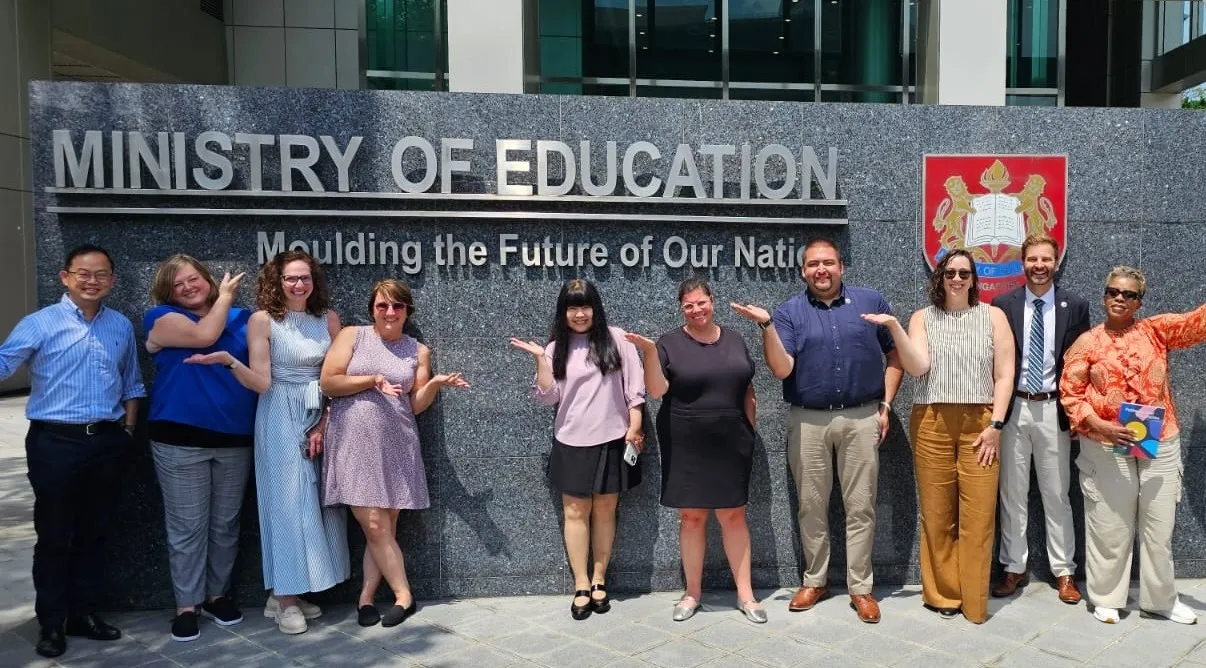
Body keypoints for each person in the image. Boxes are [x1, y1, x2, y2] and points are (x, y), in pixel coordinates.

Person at [730, 237, 902, 624]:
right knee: (811, 505)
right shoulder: (789, 312)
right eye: (812, 265)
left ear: (841, 265)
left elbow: (896, 354)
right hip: (807, 420)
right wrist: (767, 326)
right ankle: (816, 579)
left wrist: (886, 404)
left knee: (861, 506)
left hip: (862, 417)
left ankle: (861, 587)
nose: (820, 270)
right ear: (803, 271)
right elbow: (781, 369)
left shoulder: (870, 303)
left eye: (827, 262)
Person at [186, 250, 348, 635]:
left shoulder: (328, 320)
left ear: (314, 281)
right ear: (276, 282)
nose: (298, 285)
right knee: (287, 504)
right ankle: (286, 598)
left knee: (320, 504)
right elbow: (261, 382)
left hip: (319, 411)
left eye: (305, 277)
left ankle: (286, 593)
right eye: (290, 278)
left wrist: (324, 421)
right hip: (278, 414)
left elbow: (338, 375)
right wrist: (229, 360)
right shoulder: (263, 320)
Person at [0, 245, 145, 658]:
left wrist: (129, 430)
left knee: (95, 533)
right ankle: (51, 623)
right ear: (65, 277)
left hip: (106, 440)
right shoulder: (39, 323)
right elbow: (4, 363)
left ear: (113, 280)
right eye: (83, 273)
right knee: (55, 535)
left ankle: (84, 614)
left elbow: (132, 382)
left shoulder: (119, 325)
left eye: (101, 273)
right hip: (55, 443)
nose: (92, 280)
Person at [864, 249, 1014, 624]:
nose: (958, 279)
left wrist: (996, 426)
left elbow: (1005, 375)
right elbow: (918, 367)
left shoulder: (993, 316)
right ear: (940, 277)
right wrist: (896, 328)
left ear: (974, 278)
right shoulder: (923, 318)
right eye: (951, 272)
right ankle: (945, 594)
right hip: (932, 420)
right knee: (937, 513)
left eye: (964, 273)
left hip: (982, 423)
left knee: (979, 516)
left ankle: (975, 600)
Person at [1060, 266, 1206, 625]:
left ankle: (1160, 600)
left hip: (1159, 439)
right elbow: (1070, 393)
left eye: (1129, 294)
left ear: (1140, 301)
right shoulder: (1088, 342)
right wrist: (1099, 424)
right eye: (1113, 292)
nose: (1120, 299)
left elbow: (1197, 323)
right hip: (1106, 443)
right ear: (1104, 294)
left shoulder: (1155, 331)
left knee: (1159, 526)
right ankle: (1108, 597)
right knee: (1110, 524)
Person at [321, 279, 469, 628]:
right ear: (372, 309)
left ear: (407, 311)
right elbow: (329, 381)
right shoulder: (352, 336)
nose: (389, 312)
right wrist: (371, 379)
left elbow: (415, 405)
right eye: (382, 306)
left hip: (397, 442)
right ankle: (405, 595)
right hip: (353, 442)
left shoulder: (418, 351)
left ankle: (366, 599)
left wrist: (432, 384)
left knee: (384, 526)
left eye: (397, 306)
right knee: (373, 523)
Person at [626, 278, 766, 625]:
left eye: (701, 302)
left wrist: (750, 429)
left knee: (733, 516)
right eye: (688, 305)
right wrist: (647, 352)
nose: (696, 310)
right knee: (692, 517)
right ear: (681, 308)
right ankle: (692, 593)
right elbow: (657, 391)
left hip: (731, 440)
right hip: (685, 439)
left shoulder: (734, 339)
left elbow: (746, 387)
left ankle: (746, 594)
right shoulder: (668, 343)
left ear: (712, 301)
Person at [510, 279, 645, 620]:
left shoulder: (617, 339)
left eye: (585, 306)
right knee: (574, 512)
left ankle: (600, 579)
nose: (580, 313)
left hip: (613, 437)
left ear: (595, 308)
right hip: (571, 440)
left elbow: (635, 388)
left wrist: (636, 423)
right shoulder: (557, 348)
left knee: (604, 510)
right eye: (573, 307)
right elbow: (547, 396)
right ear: (564, 311)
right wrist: (541, 358)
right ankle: (581, 583)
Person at [144, 255, 256, 642]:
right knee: (188, 527)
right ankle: (186, 605)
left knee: (225, 524)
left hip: (234, 436)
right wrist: (224, 296)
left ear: (205, 278)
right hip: (179, 438)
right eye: (179, 284)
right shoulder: (161, 318)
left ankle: (216, 595)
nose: (189, 287)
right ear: (168, 292)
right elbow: (206, 335)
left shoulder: (244, 319)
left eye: (194, 279)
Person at [989, 234, 1090, 604]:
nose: (1039, 266)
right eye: (1032, 259)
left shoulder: (1075, 306)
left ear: (1056, 263)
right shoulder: (1003, 304)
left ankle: (1064, 571)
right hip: (1014, 408)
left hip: (1053, 409)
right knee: (1012, 492)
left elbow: (1080, 365)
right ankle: (1013, 567)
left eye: (1046, 259)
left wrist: (1079, 414)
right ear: (1023, 263)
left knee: (1057, 492)